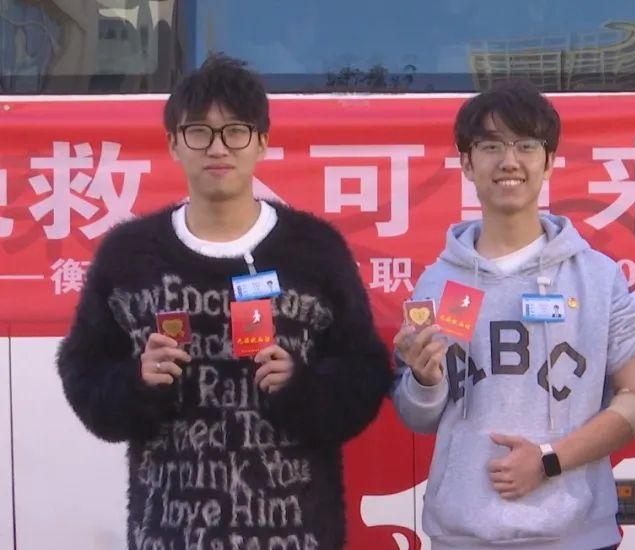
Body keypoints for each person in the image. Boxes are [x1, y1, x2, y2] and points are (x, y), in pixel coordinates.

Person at [56, 54, 391, 549]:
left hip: (297, 533)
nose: (218, 147)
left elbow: (365, 374)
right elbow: (84, 376)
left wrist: (300, 385)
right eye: (199, 132)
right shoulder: (129, 256)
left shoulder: (314, 250)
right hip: (169, 533)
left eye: (235, 131)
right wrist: (137, 382)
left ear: (262, 141)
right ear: (173, 143)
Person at [391, 80, 635, 550]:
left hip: (577, 537)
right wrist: (424, 380)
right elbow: (419, 419)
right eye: (490, 146)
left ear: (549, 161)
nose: (509, 161)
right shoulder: (436, 282)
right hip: (463, 537)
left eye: (526, 146)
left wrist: (550, 459)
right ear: (467, 163)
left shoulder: (598, 277)